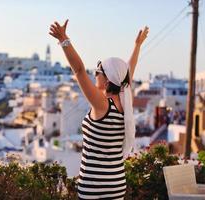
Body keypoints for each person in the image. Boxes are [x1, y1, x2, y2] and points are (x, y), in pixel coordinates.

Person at [49, 19, 149, 200]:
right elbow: (127, 72)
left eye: (98, 71)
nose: (94, 74)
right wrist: (137, 45)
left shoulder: (102, 104)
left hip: (94, 187)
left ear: (109, 79)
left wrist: (64, 40)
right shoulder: (124, 102)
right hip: (117, 184)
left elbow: (79, 70)